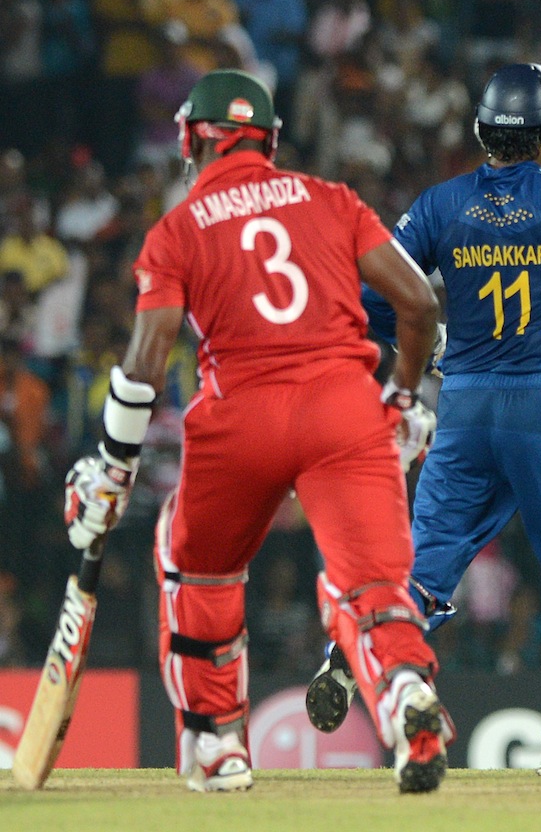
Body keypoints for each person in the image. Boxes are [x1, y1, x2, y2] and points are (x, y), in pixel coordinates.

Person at [304, 0, 541, 777]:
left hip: (465, 406)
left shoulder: (440, 204)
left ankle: (352, 647)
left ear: (482, 133)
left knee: (428, 568)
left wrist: (430, 336)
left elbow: (377, 295)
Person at [62, 68, 455, 794]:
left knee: (197, 567)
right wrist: (399, 398)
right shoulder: (330, 199)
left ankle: (217, 744)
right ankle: (403, 690)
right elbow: (419, 304)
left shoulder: (177, 228)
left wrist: (112, 467)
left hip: (238, 415)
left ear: (192, 139)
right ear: (269, 140)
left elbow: (147, 359)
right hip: (343, 408)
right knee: (369, 582)